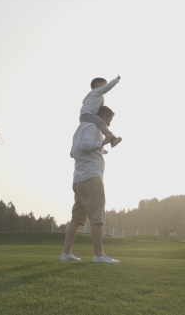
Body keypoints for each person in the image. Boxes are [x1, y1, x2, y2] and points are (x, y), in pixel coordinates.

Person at [60, 105, 120, 263]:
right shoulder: (93, 127)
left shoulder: (80, 128)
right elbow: (84, 146)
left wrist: (101, 148)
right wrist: (103, 143)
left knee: (77, 219)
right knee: (97, 217)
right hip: (92, 179)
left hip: (79, 180)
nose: (108, 125)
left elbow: (73, 152)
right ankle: (99, 256)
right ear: (101, 116)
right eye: (108, 119)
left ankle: (66, 254)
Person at [79, 75, 122, 148]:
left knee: (95, 129)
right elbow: (108, 87)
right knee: (101, 123)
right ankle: (112, 139)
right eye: (104, 84)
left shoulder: (93, 95)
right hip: (88, 114)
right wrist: (116, 80)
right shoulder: (97, 91)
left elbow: (84, 101)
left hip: (84, 116)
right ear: (98, 85)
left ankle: (99, 147)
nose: (105, 86)